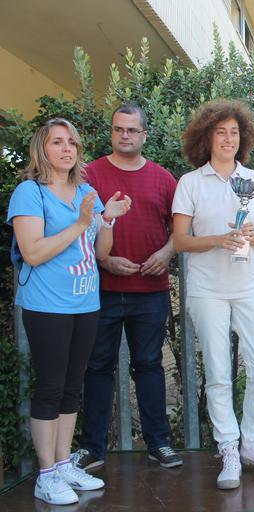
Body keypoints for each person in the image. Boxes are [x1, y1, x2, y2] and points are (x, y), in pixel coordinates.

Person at [7, 118, 131, 505]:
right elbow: (33, 252)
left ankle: (62, 465)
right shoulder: (29, 193)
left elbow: (101, 251)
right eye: (57, 142)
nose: (66, 149)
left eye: (72, 143)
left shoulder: (86, 191)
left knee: (72, 386)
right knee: (50, 386)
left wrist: (106, 219)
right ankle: (46, 474)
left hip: (85, 302)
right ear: (41, 149)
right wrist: (81, 223)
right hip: (47, 305)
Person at [172, 99, 254, 490]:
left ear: (243, 137)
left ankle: (253, 444)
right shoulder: (190, 183)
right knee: (219, 373)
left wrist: (248, 235)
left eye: (234, 132)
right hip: (207, 289)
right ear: (207, 137)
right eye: (220, 132)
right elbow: (181, 241)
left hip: (250, 285)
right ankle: (229, 450)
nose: (228, 138)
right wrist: (219, 239)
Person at [72, 103, 181, 472]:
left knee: (149, 365)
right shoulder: (90, 175)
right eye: (119, 129)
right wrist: (105, 261)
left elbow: (180, 229)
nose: (125, 135)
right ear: (112, 132)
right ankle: (92, 448)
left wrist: (166, 253)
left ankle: (158, 443)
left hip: (150, 290)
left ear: (144, 135)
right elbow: (77, 229)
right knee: (97, 367)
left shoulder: (163, 179)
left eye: (132, 130)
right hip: (100, 289)